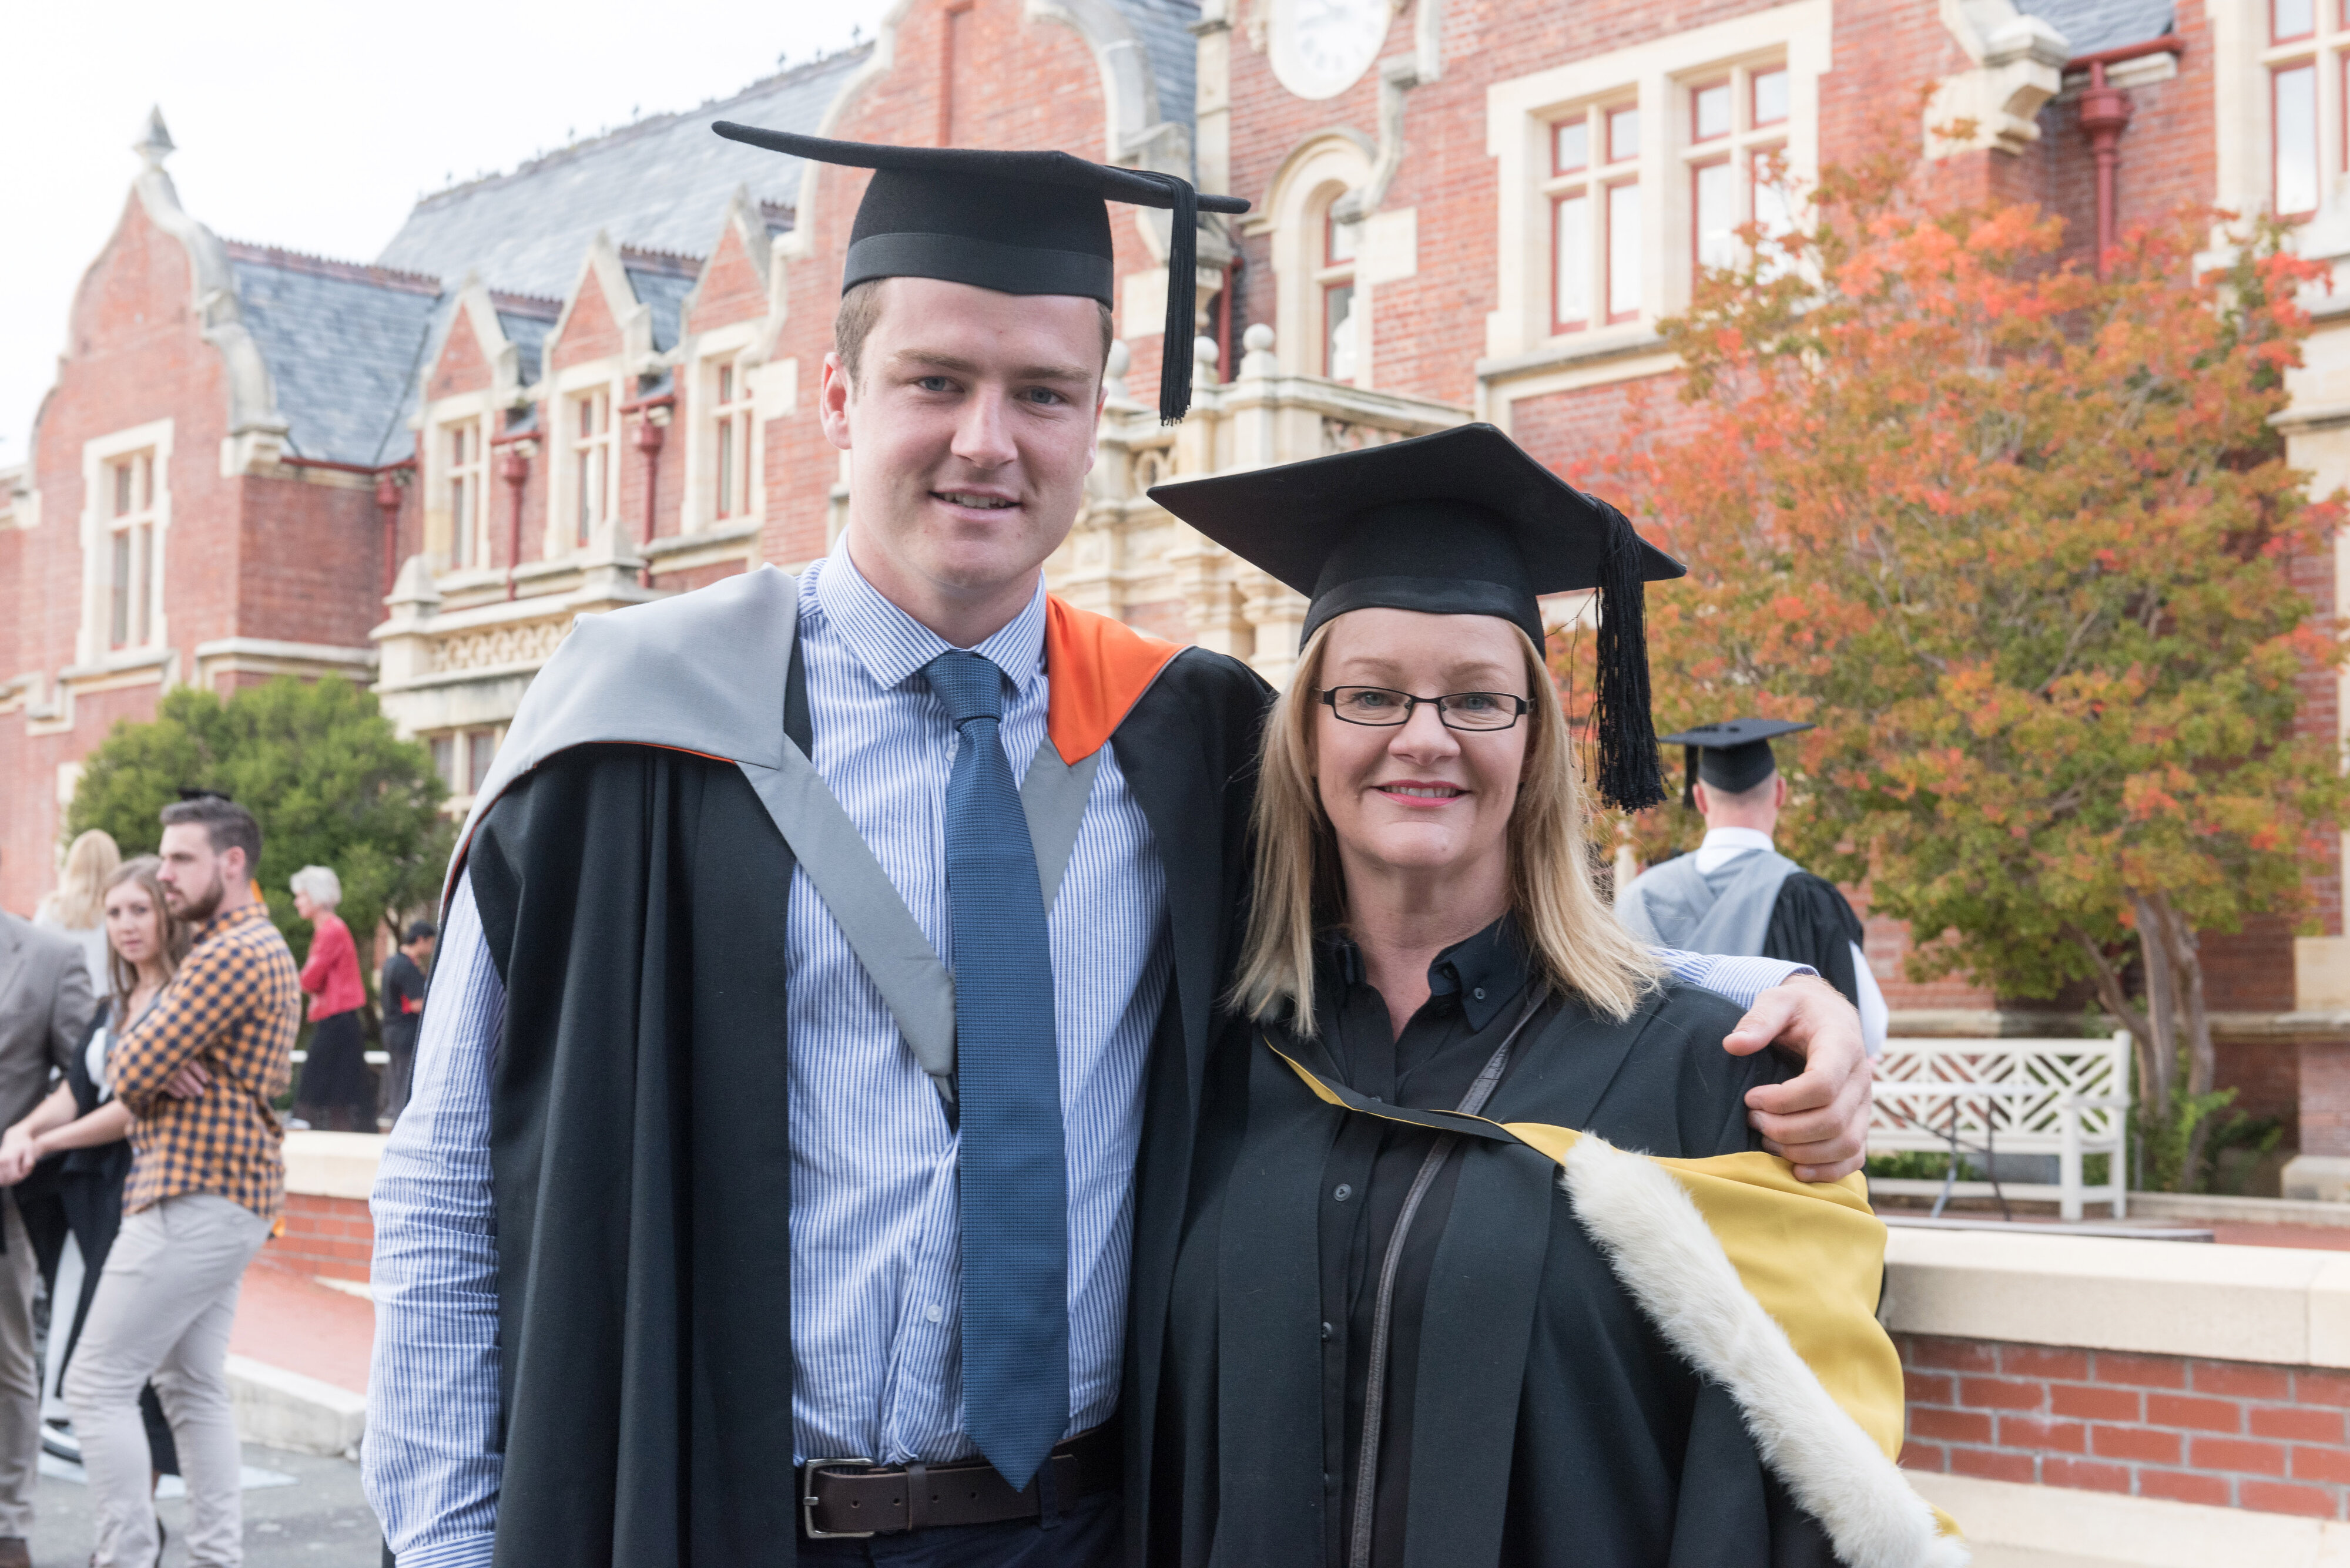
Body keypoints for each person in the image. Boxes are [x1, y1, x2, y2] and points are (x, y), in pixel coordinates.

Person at [365, 127, 1875, 1568]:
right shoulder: (637, 732)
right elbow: (445, 1185)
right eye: (935, 381)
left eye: (1042, 392)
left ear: (1097, 415)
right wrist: (447, 1541)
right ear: (835, 397)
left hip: (1092, 1526)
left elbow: (1433, 911)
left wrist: (1766, 990)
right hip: (718, 1518)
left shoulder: (1187, 740)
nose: (986, 441)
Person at [1142, 425, 1951, 1567]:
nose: (1423, 737)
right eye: (1369, 694)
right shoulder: (1218, 1058)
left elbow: (1780, 1493)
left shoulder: (1698, 1078)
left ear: (1535, 745)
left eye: (1478, 699)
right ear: (1304, 733)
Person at [64, 795, 301, 1568]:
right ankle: (213, 1559)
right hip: (224, 1193)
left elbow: (128, 1068)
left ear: (231, 862)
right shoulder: (245, 945)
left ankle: (126, 1557)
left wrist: (151, 1055)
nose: (164, 873)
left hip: (191, 1190)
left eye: (180, 858)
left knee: (95, 1383)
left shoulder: (228, 952)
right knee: (191, 1386)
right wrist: (158, 1056)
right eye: (163, 857)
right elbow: (141, 1065)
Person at [1, 858, 192, 1491]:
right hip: (94, 1194)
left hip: (147, 1190)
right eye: (114, 913)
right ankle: (135, 1530)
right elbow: (79, 1088)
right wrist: (26, 1132)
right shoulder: (115, 1004)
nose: (126, 925)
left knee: (142, 1380)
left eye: (140, 910)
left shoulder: (187, 1002)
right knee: (115, 1377)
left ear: (168, 915)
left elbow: (127, 1101)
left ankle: (142, 1530)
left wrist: (37, 1139)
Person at [1618, 719, 1889, 1056]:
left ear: (1700, 799)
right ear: (1781, 793)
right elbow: (1867, 1031)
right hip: (1772, 1091)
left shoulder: (1638, 897)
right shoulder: (1810, 901)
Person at [0, 854, 96, 1568]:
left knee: (7, 1362)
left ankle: (9, 1519)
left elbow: (85, 1074)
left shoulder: (48, 957)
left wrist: (27, 1137)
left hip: (4, 1201)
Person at [290, 865, 373, 1132]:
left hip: (337, 1016)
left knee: (317, 1079)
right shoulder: (331, 929)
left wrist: (291, 980)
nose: (297, 902)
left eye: (301, 895)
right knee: (342, 1086)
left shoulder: (330, 930)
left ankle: (304, 1123)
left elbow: (310, 979)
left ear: (316, 896)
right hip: (340, 1016)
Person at [33, 829, 121, 989]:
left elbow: (36, 961)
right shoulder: (119, 911)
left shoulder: (50, 910)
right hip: (111, 998)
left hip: (62, 997)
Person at [378, 921, 434, 1127]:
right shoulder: (407, 967)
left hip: (391, 1029)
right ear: (420, 940)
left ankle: (395, 1120)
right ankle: (402, 1125)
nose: (431, 949)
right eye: (430, 943)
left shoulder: (391, 962)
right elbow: (418, 1003)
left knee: (396, 1079)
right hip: (406, 1030)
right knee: (405, 1082)